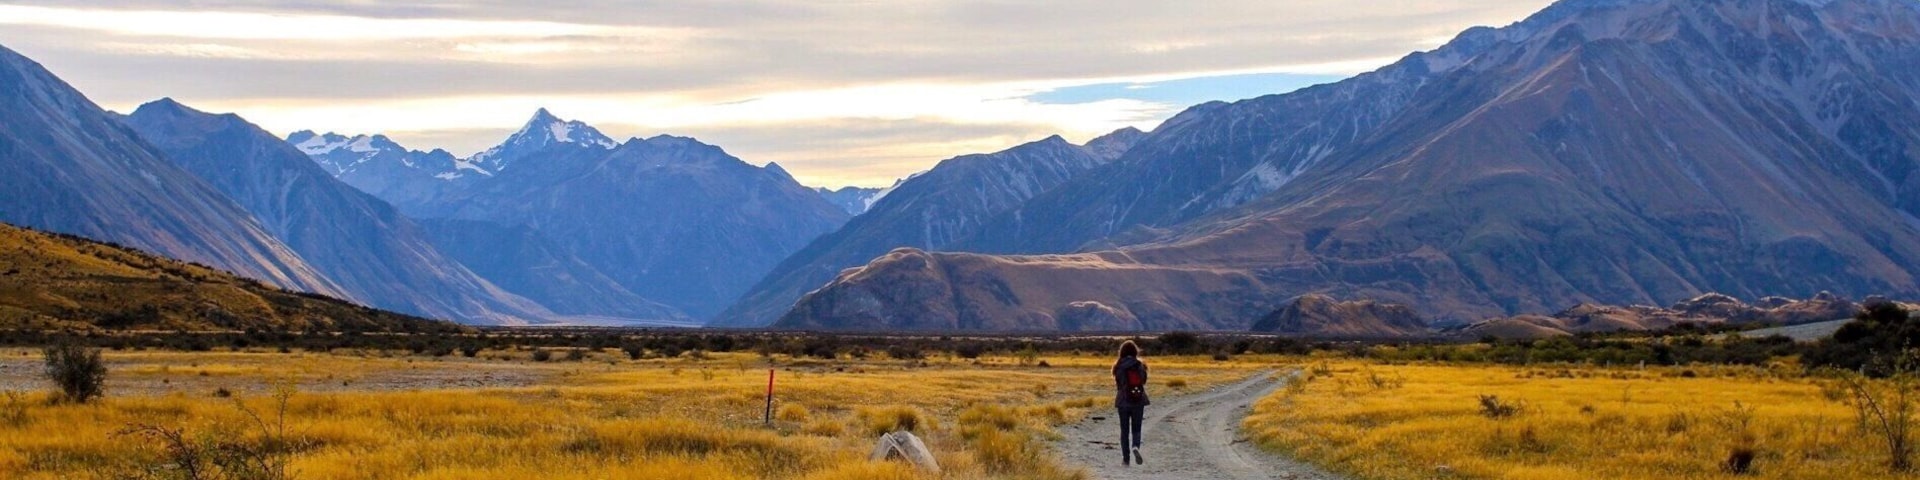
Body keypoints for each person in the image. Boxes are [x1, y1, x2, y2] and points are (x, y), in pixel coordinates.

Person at [1113, 340, 1149, 466]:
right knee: (1136, 428)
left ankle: (1126, 459)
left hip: (1123, 400)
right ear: (1135, 351)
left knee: (1124, 430)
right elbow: (1143, 380)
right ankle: (1135, 446)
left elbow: (1118, 382)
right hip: (1138, 399)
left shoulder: (1118, 365)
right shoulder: (1139, 365)